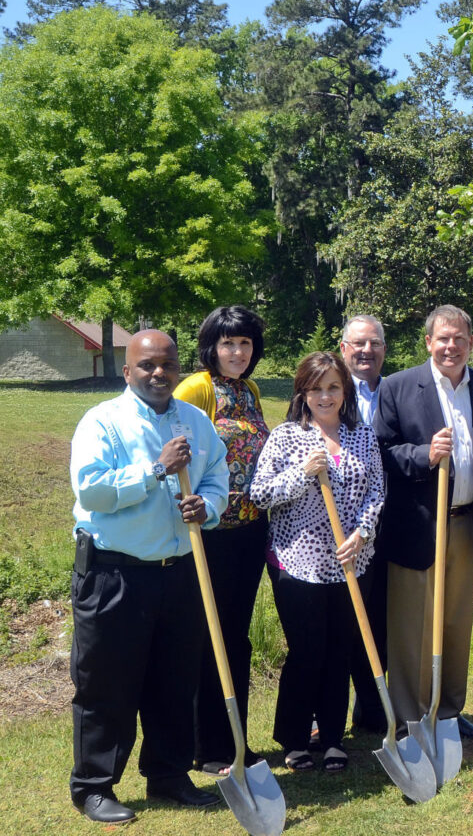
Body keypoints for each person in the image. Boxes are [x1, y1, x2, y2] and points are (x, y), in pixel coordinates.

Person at [69, 330, 228, 823]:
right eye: (147, 366)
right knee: (107, 685)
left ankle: (168, 773)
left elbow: (217, 475)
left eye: (166, 364)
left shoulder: (197, 423)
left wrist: (210, 506)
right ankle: (94, 785)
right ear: (127, 370)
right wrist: (155, 471)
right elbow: (92, 491)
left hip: (179, 572)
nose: (158, 374)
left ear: (178, 367)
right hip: (114, 574)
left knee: (174, 681)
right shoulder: (103, 423)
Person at [373, 305, 473, 739]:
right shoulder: (397, 388)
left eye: (460, 339)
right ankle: (413, 719)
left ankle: (448, 712)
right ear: (428, 342)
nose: (451, 346)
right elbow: (381, 453)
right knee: (414, 625)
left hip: (468, 523)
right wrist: (424, 455)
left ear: (471, 343)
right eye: (443, 338)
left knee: (456, 620)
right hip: (418, 525)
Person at [250, 352, 383, 773]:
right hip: (296, 564)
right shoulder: (288, 437)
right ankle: (293, 740)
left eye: (333, 388)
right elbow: (260, 494)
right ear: (303, 393)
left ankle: (331, 739)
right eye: (316, 388)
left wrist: (363, 533)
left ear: (344, 392)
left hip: (350, 563)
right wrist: (303, 473)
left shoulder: (361, 436)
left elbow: (377, 492)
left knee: (339, 652)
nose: (325, 396)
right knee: (307, 651)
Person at [173, 305, 269, 775]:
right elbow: (171, 449)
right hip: (209, 533)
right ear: (212, 345)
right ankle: (205, 747)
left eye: (245, 343)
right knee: (208, 635)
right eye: (228, 343)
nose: (237, 352)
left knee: (236, 638)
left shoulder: (249, 391)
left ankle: (236, 741)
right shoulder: (198, 388)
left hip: (250, 532)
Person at [337, 314, 391, 733]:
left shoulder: (395, 391)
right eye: (358, 344)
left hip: (385, 524)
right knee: (341, 621)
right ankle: (329, 714)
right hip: (336, 532)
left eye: (374, 344)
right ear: (343, 349)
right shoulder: (328, 392)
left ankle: (372, 709)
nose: (366, 351)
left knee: (379, 618)